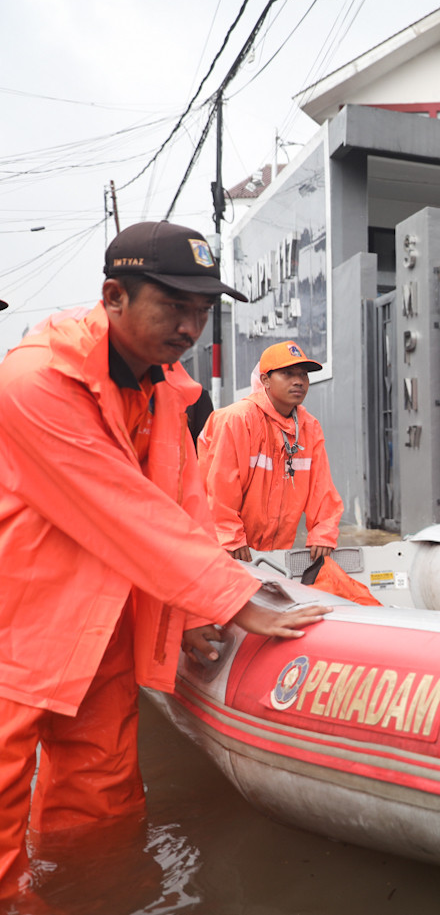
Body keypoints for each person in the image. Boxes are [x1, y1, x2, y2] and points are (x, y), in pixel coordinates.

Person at [0, 220, 330, 899]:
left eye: (202, 311)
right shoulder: (35, 380)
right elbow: (124, 509)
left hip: (106, 628)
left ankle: (92, 894)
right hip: (17, 625)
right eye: (174, 306)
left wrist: (187, 612)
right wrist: (233, 597)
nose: (190, 326)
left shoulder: (166, 391)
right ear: (114, 295)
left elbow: (185, 509)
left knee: (102, 810)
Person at [198, 341, 344, 560]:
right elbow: (220, 485)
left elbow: (321, 488)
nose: (298, 381)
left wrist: (323, 533)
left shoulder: (309, 428)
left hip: (274, 554)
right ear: (265, 380)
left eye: (303, 375)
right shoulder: (237, 420)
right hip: (223, 549)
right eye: (288, 373)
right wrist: (230, 536)